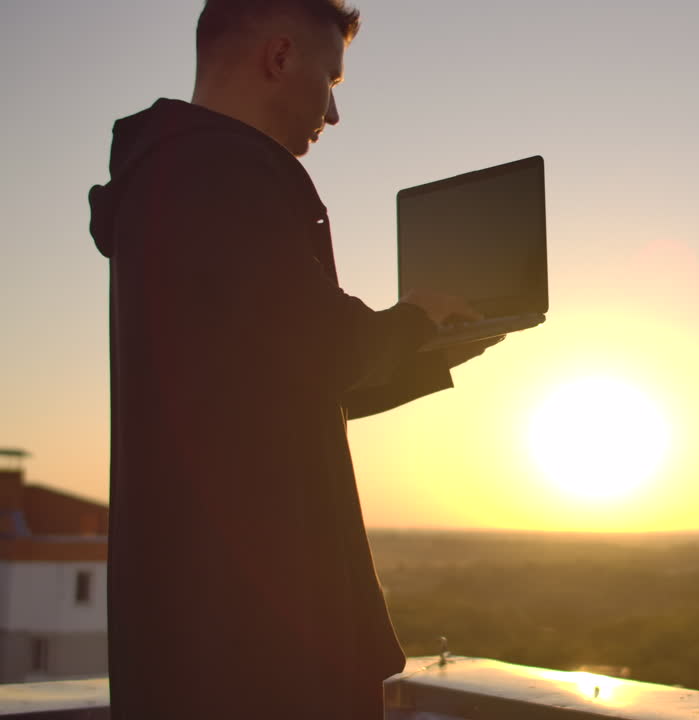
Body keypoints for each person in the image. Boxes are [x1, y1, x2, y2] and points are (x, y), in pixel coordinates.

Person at [87, 1, 496, 717]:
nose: (333, 113)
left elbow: (291, 377)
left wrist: (433, 347)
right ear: (278, 58)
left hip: (205, 629)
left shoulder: (170, 181)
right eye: (330, 80)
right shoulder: (220, 173)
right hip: (256, 641)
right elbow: (323, 345)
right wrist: (417, 317)